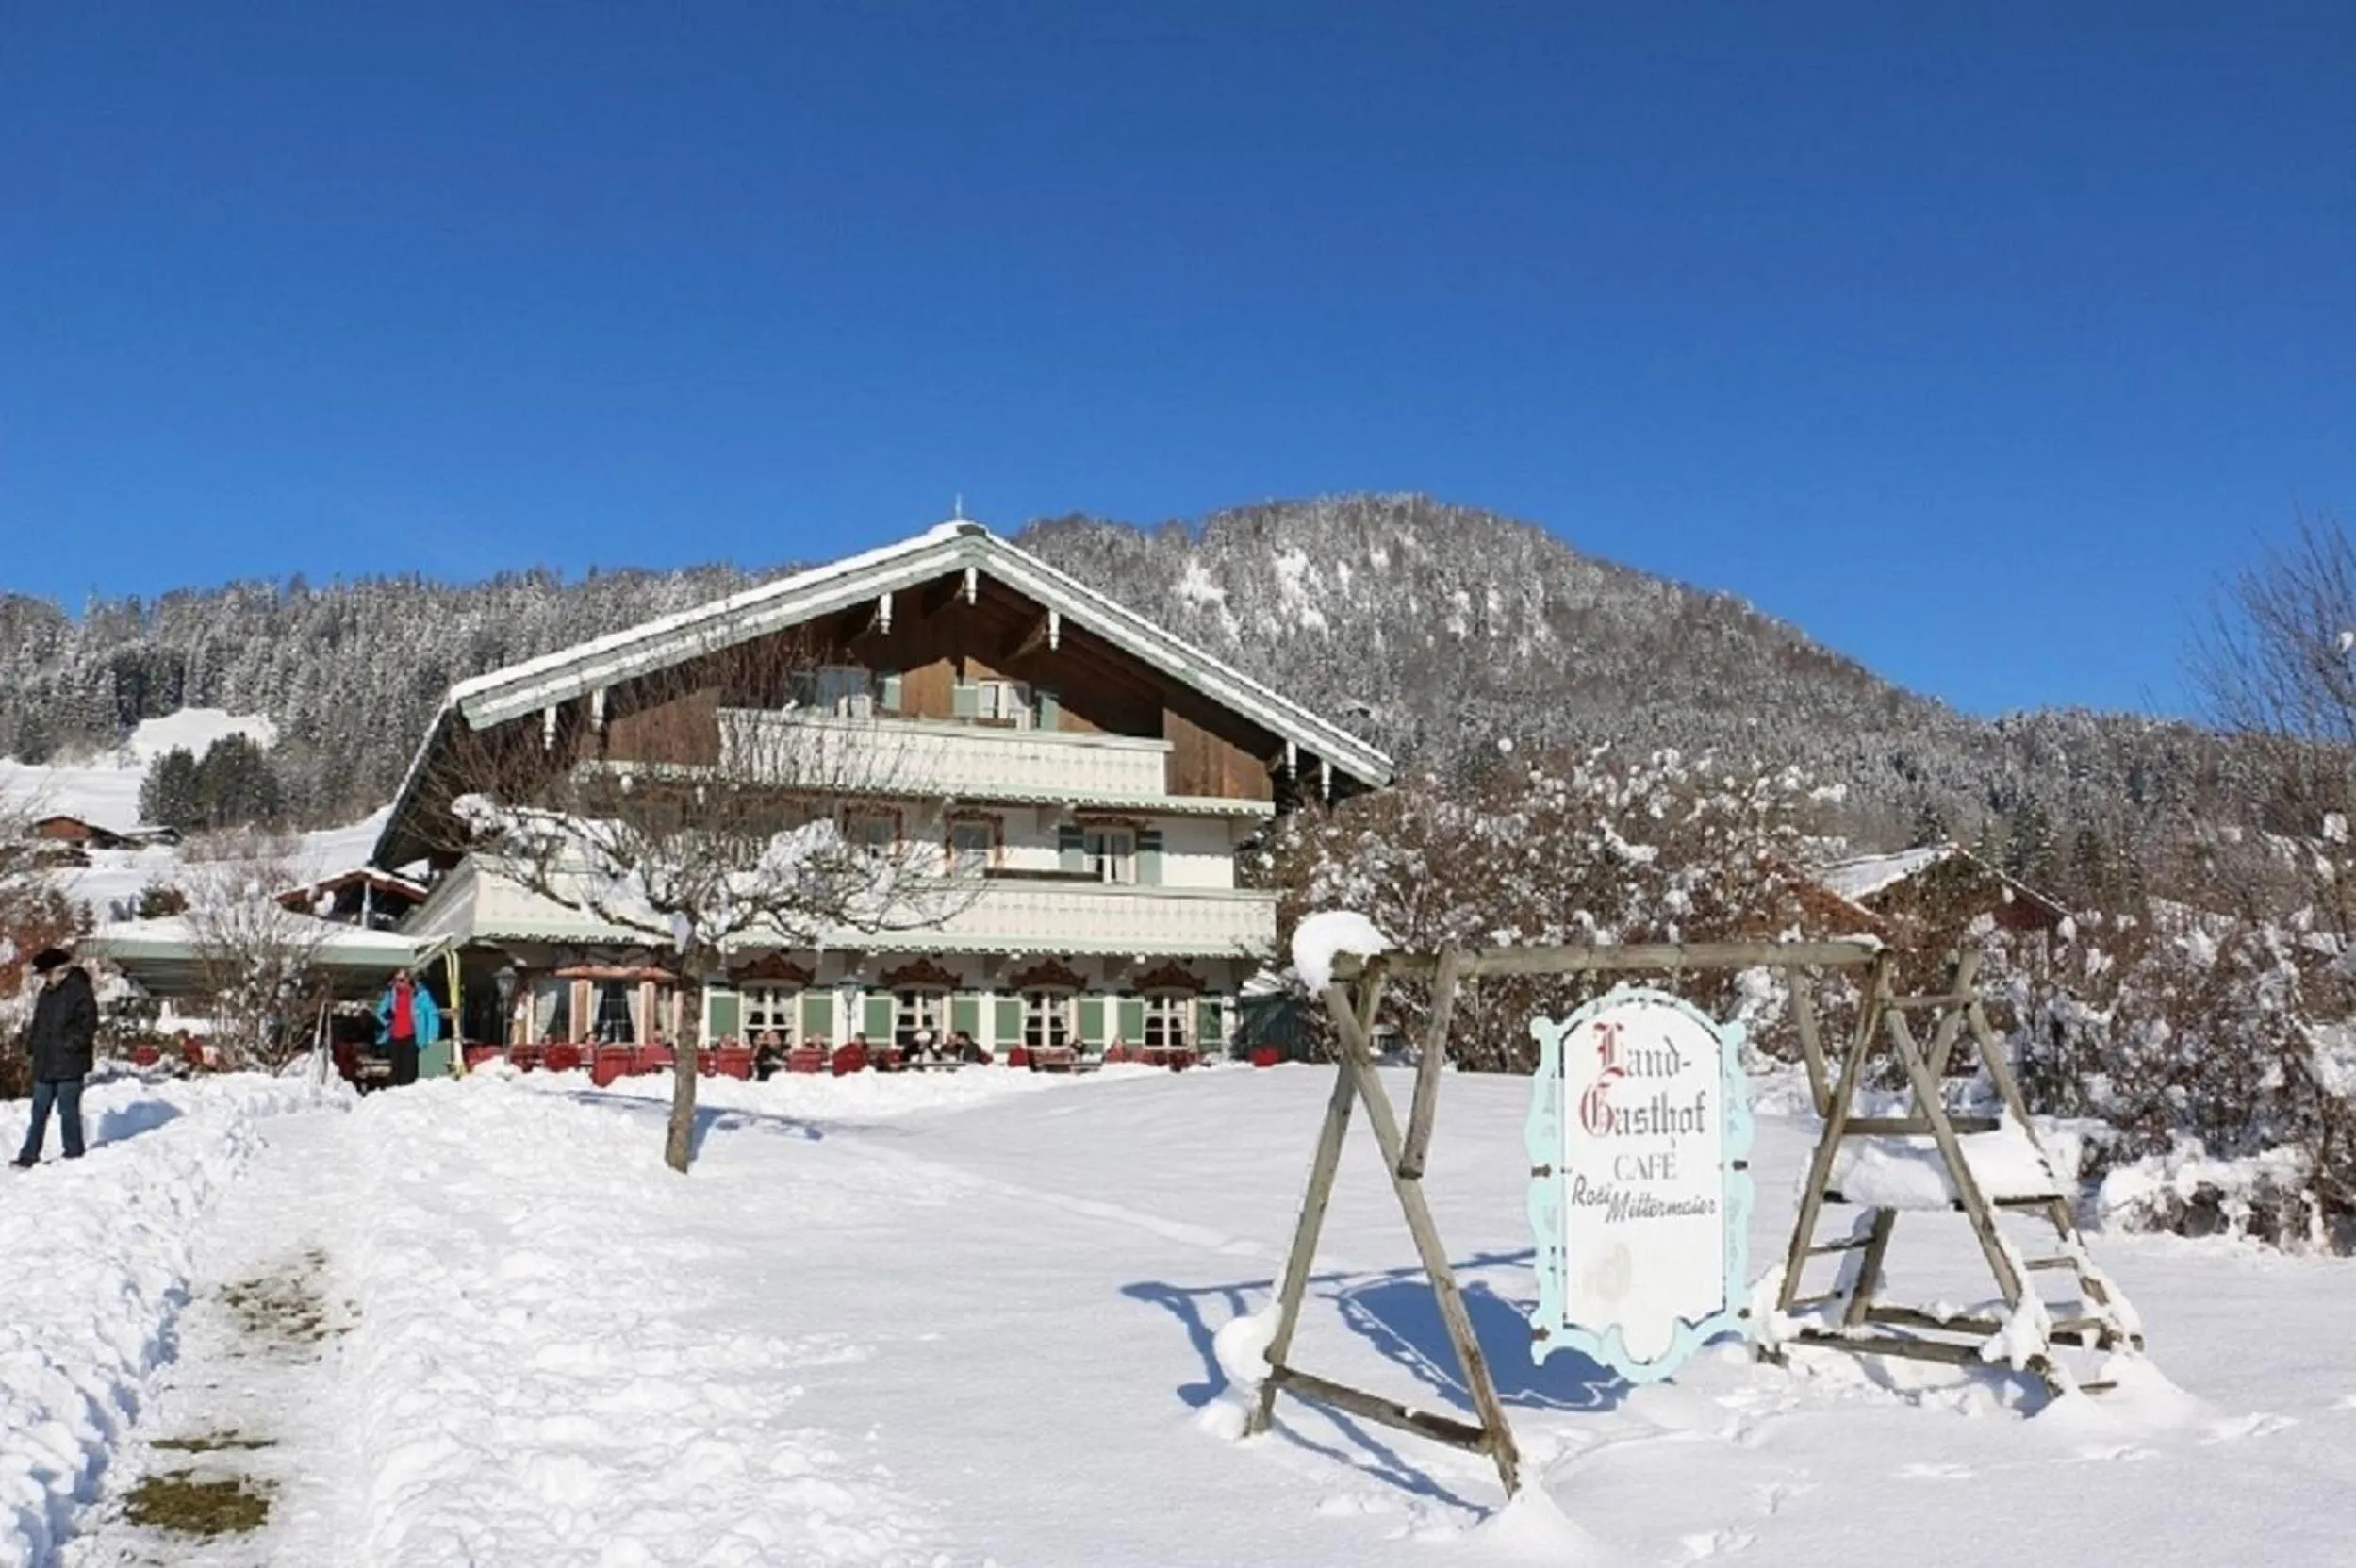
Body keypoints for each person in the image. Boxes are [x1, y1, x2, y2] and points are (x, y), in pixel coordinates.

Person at [15, 947, 98, 1166]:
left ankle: (73, 1153)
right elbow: (39, 1023)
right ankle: (29, 1155)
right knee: (38, 1112)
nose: (44, 978)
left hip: (70, 1063)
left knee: (68, 1111)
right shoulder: (47, 992)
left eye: (46, 973)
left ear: (57, 970)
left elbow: (88, 1025)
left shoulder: (79, 990)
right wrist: (33, 1045)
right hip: (45, 1061)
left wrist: (69, 1046)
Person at [372, 967, 442, 1088]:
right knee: (395, 1069)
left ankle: (407, 1094)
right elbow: (380, 1012)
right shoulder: (390, 994)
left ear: (409, 979)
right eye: (396, 980)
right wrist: (386, 1019)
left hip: (412, 1036)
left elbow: (432, 1014)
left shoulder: (420, 994)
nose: (399, 983)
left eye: (402, 980)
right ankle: (392, 1094)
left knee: (408, 1070)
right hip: (394, 1036)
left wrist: (432, 1036)